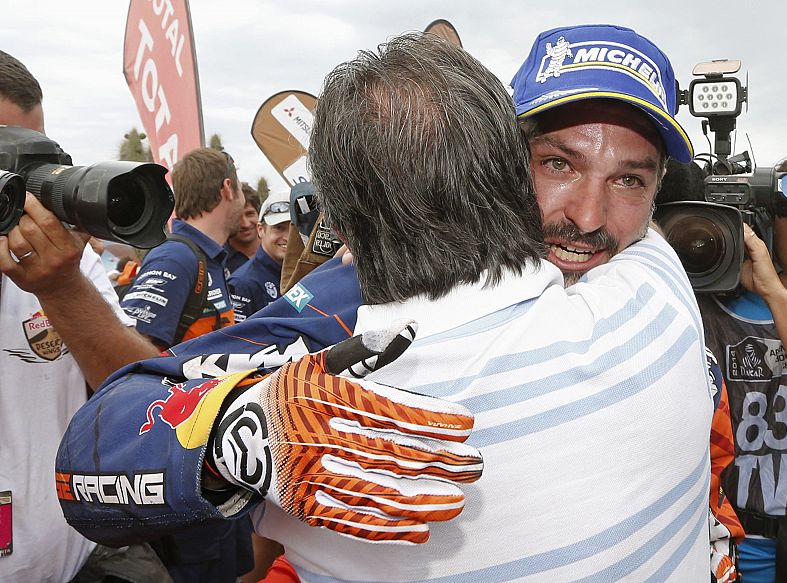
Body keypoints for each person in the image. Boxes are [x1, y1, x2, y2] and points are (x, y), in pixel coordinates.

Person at [58, 28, 713, 581]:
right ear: (499, 162)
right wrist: (236, 429)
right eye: (559, 165)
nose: (589, 218)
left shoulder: (653, 276)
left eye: (630, 178)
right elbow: (104, 439)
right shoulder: (357, 315)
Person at [0, 50, 165, 582]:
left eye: (35, 159)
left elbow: (143, 396)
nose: (23, 188)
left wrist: (63, 289)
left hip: (75, 564)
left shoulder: (66, 262)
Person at [119, 147, 254, 582]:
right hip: (182, 470)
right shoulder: (177, 257)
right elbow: (128, 359)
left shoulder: (213, 259)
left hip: (215, 465)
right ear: (227, 189)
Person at [699, 155, 787, 583]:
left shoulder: (777, 299)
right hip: (732, 540)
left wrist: (777, 295)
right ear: (767, 220)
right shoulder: (711, 308)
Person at [121, 147, 241, 350]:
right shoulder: (176, 258)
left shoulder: (208, 256)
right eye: (241, 190)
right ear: (228, 188)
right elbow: (127, 351)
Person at [229, 189, 290, 322]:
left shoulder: (308, 272)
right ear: (261, 230)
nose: (288, 237)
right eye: (279, 228)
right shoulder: (242, 283)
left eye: (294, 227)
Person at [225, 182, 262, 274]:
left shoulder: (278, 251)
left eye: (250, 214)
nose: (245, 224)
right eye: (237, 216)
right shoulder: (217, 259)